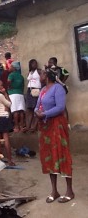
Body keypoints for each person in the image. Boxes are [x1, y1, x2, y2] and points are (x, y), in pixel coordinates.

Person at [35, 68, 74, 203]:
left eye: (42, 73)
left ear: (47, 76)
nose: (40, 75)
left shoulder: (58, 88)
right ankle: (54, 191)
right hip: (45, 127)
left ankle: (69, 191)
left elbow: (60, 107)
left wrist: (44, 114)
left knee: (62, 154)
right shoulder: (43, 90)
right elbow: (37, 105)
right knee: (48, 156)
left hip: (57, 125)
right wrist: (37, 112)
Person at [8, 62, 26, 132]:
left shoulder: (11, 75)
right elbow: (23, 86)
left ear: (14, 68)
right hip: (20, 94)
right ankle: (21, 126)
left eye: (11, 66)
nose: (10, 67)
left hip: (13, 94)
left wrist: (9, 87)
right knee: (21, 111)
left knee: (15, 111)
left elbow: (8, 81)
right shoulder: (21, 76)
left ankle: (16, 126)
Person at [26, 59, 41, 132]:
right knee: (29, 109)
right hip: (29, 90)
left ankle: (34, 126)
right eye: (33, 63)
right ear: (30, 64)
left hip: (36, 90)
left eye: (36, 63)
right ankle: (28, 126)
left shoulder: (39, 71)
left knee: (36, 108)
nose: (35, 65)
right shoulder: (29, 72)